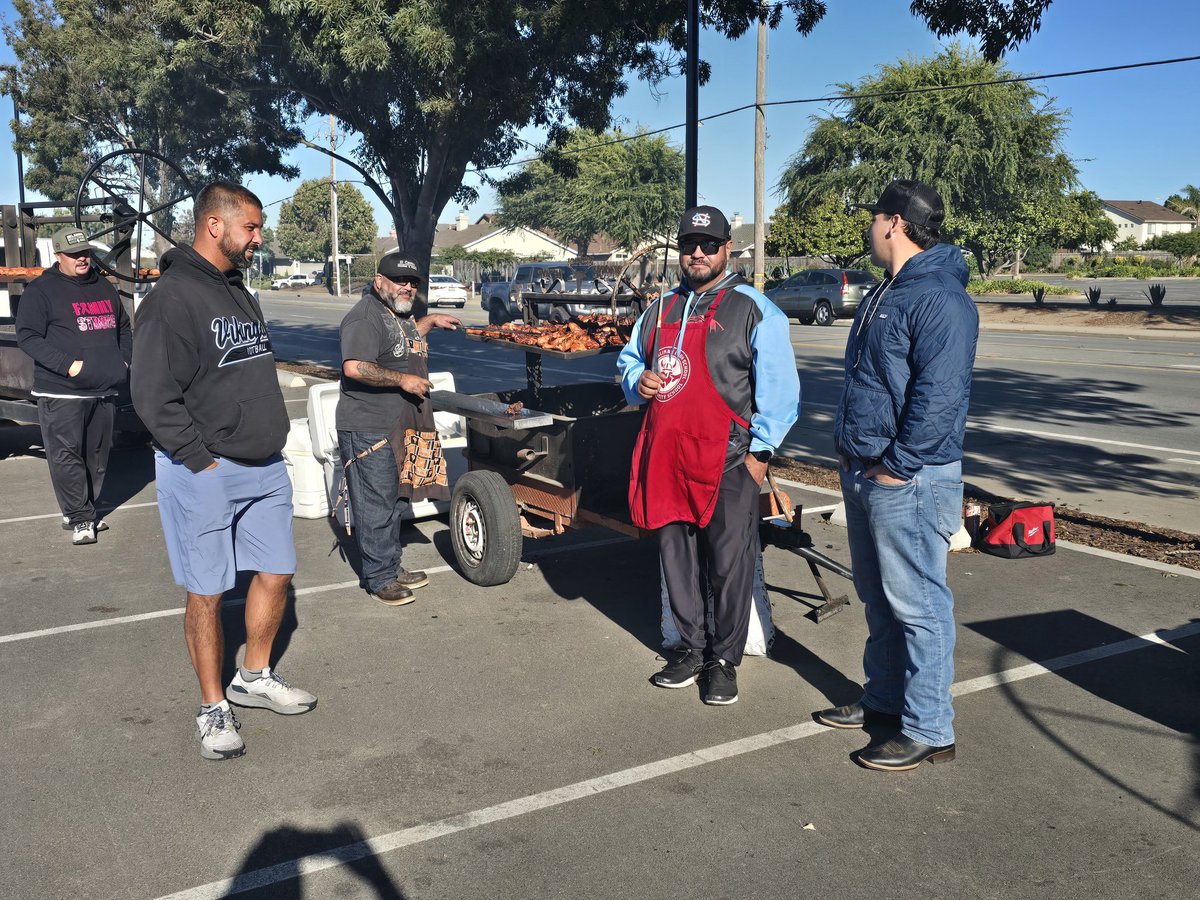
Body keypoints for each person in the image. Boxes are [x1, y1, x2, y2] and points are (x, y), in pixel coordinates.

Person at [131, 181, 315, 761]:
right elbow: (152, 395)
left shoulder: (238, 289)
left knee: (277, 573)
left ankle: (253, 676)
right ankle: (213, 705)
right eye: (252, 228)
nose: (259, 238)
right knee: (208, 591)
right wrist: (198, 459)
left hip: (264, 465)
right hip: (205, 468)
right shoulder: (172, 297)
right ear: (216, 225)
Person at [813, 179, 979, 772]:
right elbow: (872, 382)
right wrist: (849, 452)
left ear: (895, 224)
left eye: (874, 217)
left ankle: (929, 728)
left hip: (909, 478)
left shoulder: (938, 298)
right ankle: (884, 700)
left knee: (919, 605)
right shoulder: (891, 289)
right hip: (867, 468)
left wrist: (896, 466)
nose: (869, 227)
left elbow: (939, 399)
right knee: (878, 598)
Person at [618, 206, 800, 705]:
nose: (697, 253)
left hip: (728, 463)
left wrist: (759, 457)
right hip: (668, 458)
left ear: (727, 250)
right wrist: (639, 379)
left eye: (708, 244)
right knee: (676, 560)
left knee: (728, 563)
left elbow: (781, 393)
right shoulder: (659, 309)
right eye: (688, 245)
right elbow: (630, 359)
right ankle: (691, 648)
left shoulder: (753, 308)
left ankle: (724, 659)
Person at [336, 253, 460, 606]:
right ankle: (379, 578)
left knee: (392, 501)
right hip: (369, 428)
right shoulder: (364, 317)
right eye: (399, 281)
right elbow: (356, 367)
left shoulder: (399, 314)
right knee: (375, 505)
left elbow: (398, 344)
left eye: (413, 283)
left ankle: (390, 565)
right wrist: (403, 379)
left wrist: (430, 321)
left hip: (398, 426)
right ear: (379, 281)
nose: (407, 287)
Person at [16, 227, 131, 546]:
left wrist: (123, 362)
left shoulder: (103, 287)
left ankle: (81, 509)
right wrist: (69, 366)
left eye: (85, 252)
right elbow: (28, 336)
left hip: (104, 388)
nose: (82, 259)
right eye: (74, 254)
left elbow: (123, 326)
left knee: (97, 455)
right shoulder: (41, 290)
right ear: (58, 255)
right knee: (66, 455)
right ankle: (80, 517)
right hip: (61, 390)